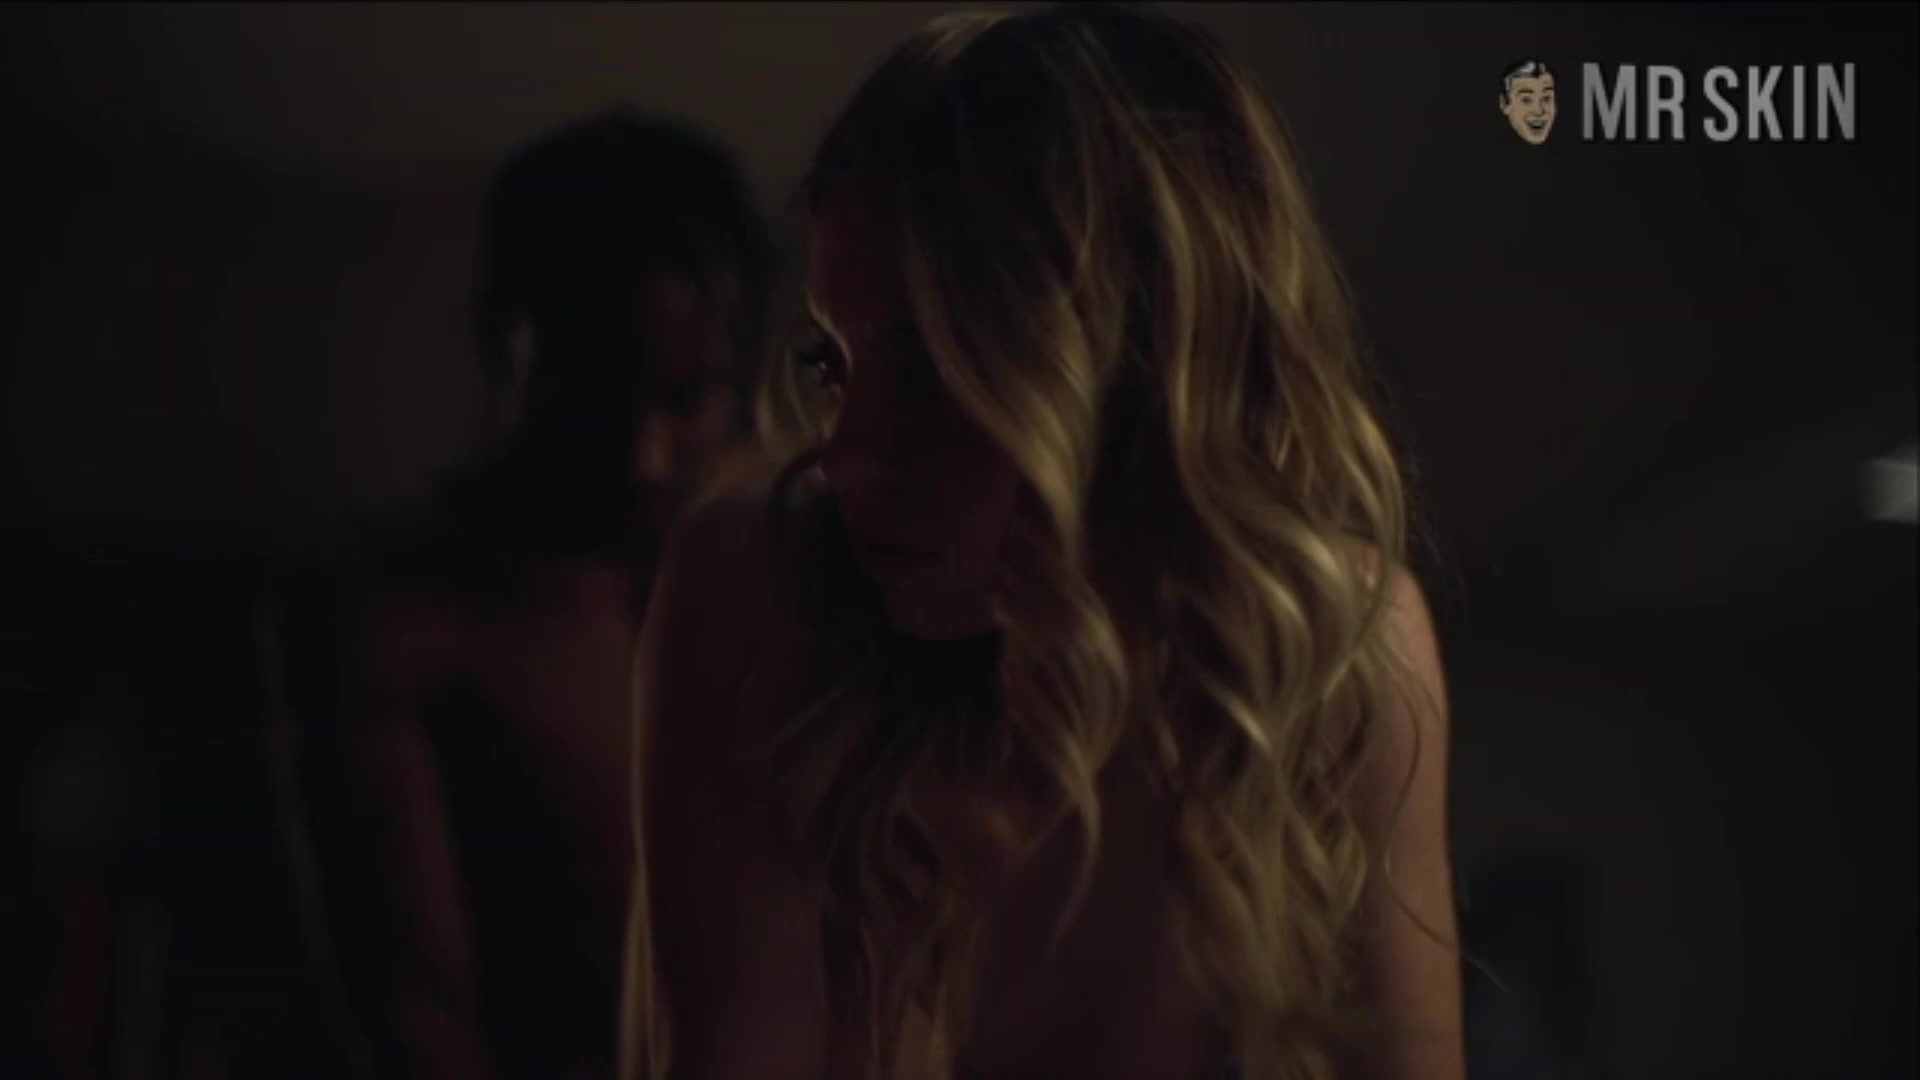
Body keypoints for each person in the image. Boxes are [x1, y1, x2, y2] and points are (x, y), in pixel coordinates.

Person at [623, 7, 1461, 1080]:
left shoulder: (1332, 649)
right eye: (834, 365)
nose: (847, 457)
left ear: (1137, 363)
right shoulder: (762, 590)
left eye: (932, 368)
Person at [296, 108, 772, 1080]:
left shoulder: (814, 559)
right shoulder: (397, 616)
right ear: (505, 350)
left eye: (686, 401)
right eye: (590, 392)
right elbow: (422, 1017)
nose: (643, 457)